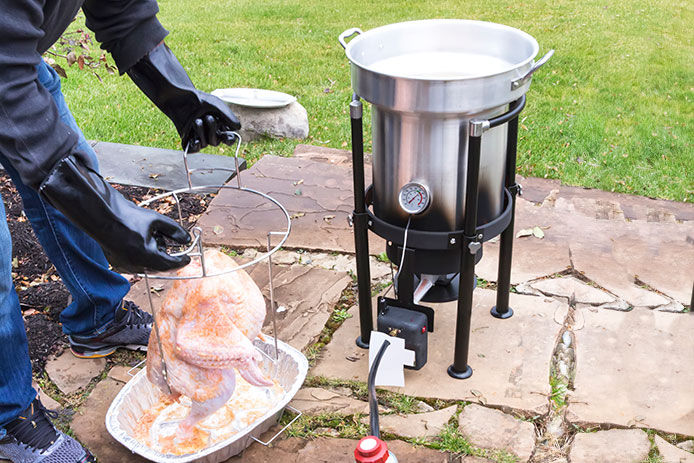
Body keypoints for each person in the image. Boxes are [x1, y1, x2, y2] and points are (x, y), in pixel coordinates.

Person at [0, 0, 241, 461]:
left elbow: (121, 6)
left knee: (77, 178)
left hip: (13, 63)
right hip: (4, 72)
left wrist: (178, 94)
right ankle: (9, 416)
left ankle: (100, 318)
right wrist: (109, 216)